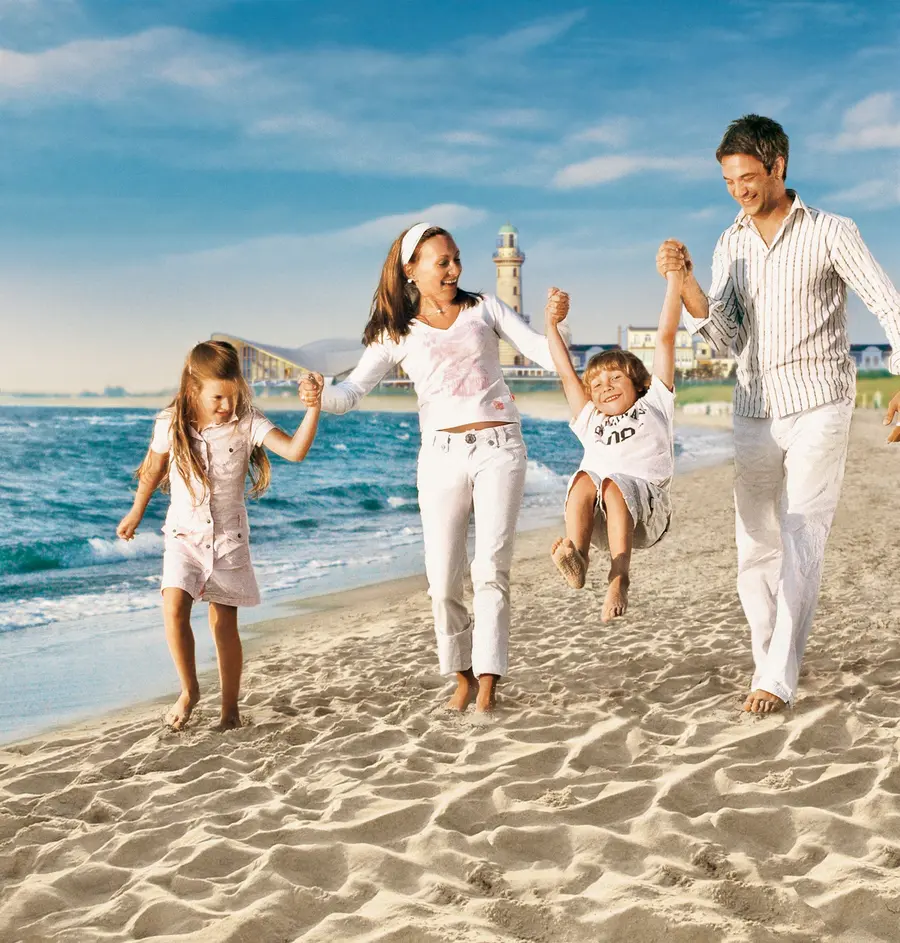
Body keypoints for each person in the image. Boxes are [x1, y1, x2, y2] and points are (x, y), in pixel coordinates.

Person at [656, 114, 900, 714]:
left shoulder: (831, 231)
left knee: (801, 534)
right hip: (754, 407)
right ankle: (769, 655)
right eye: (728, 180)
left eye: (747, 176)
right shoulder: (730, 240)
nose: (738, 189)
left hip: (820, 401)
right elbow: (725, 338)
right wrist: (686, 283)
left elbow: (886, 301)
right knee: (754, 544)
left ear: (778, 166)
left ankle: (777, 676)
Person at [299, 222, 568, 713]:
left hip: (499, 446)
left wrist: (553, 325)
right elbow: (350, 393)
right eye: (442, 261)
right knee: (442, 578)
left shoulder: (484, 306)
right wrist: (320, 395)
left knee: (490, 569)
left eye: (456, 259)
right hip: (440, 457)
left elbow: (537, 350)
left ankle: (488, 683)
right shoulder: (394, 332)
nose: (454, 269)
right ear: (411, 271)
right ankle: (461, 674)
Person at [117, 340, 323, 731]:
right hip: (182, 535)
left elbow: (295, 451)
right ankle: (189, 691)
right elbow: (153, 468)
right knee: (174, 607)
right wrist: (136, 512)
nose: (226, 406)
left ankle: (230, 710)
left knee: (222, 623)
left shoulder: (248, 422)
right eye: (217, 398)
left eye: (231, 396)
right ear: (194, 387)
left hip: (228, 540)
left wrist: (313, 407)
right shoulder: (170, 421)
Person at [546, 269, 680, 622]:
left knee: (613, 481)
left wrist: (675, 281)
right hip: (604, 520)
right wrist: (551, 325)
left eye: (615, 378)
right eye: (597, 384)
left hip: (648, 513)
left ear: (638, 383)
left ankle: (619, 576)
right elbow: (564, 372)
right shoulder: (591, 419)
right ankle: (579, 557)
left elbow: (665, 338)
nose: (605, 386)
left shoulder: (654, 405)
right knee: (584, 479)